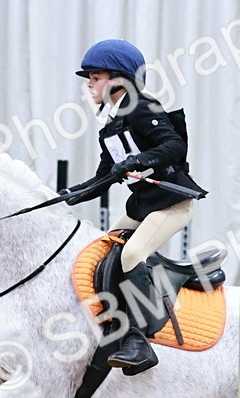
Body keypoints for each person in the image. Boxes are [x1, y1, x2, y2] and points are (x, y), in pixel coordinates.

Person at [61, 39, 207, 375]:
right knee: (104, 249)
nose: (89, 84)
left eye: (95, 77)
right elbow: (102, 179)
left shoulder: (142, 107)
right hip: (143, 207)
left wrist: (136, 160)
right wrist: (68, 196)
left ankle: (140, 340)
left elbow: (174, 144)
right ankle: (114, 323)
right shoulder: (111, 126)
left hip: (172, 203)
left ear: (117, 79)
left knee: (131, 254)